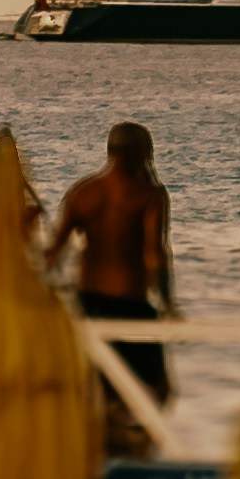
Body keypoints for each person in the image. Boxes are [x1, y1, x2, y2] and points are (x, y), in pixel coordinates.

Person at [49, 120, 175, 411]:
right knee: (155, 391)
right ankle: (132, 442)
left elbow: (54, 251)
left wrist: (54, 292)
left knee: (96, 385)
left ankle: (105, 439)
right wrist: (168, 302)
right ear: (140, 153)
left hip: (87, 303)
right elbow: (155, 253)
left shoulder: (84, 191)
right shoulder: (150, 195)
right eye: (148, 151)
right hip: (130, 305)